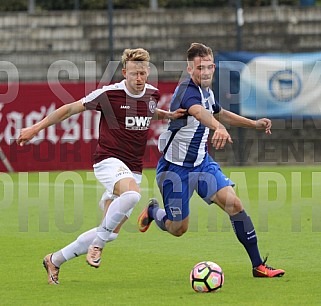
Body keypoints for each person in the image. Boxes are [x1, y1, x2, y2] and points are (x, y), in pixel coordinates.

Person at [17, 48, 186, 285]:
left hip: (133, 168)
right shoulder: (109, 94)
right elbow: (69, 109)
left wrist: (168, 115)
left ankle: (54, 260)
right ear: (125, 72)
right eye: (135, 74)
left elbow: (149, 113)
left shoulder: (152, 94)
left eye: (144, 73)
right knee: (132, 196)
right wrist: (35, 128)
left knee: (111, 232)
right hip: (108, 161)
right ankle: (97, 246)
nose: (140, 79)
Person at [137, 43, 285, 278]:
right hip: (175, 171)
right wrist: (217, 127)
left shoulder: (207, 90)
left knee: (234, 204)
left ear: (214, 67)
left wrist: (253, 124)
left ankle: (258, 265)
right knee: (178, 228)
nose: (204, 72)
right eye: (199, 68)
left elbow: (218, 112)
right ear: (189, 69)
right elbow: (198, 112)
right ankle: (154, 211)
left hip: (202, 164)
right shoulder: (186, 90)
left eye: (208, 67)